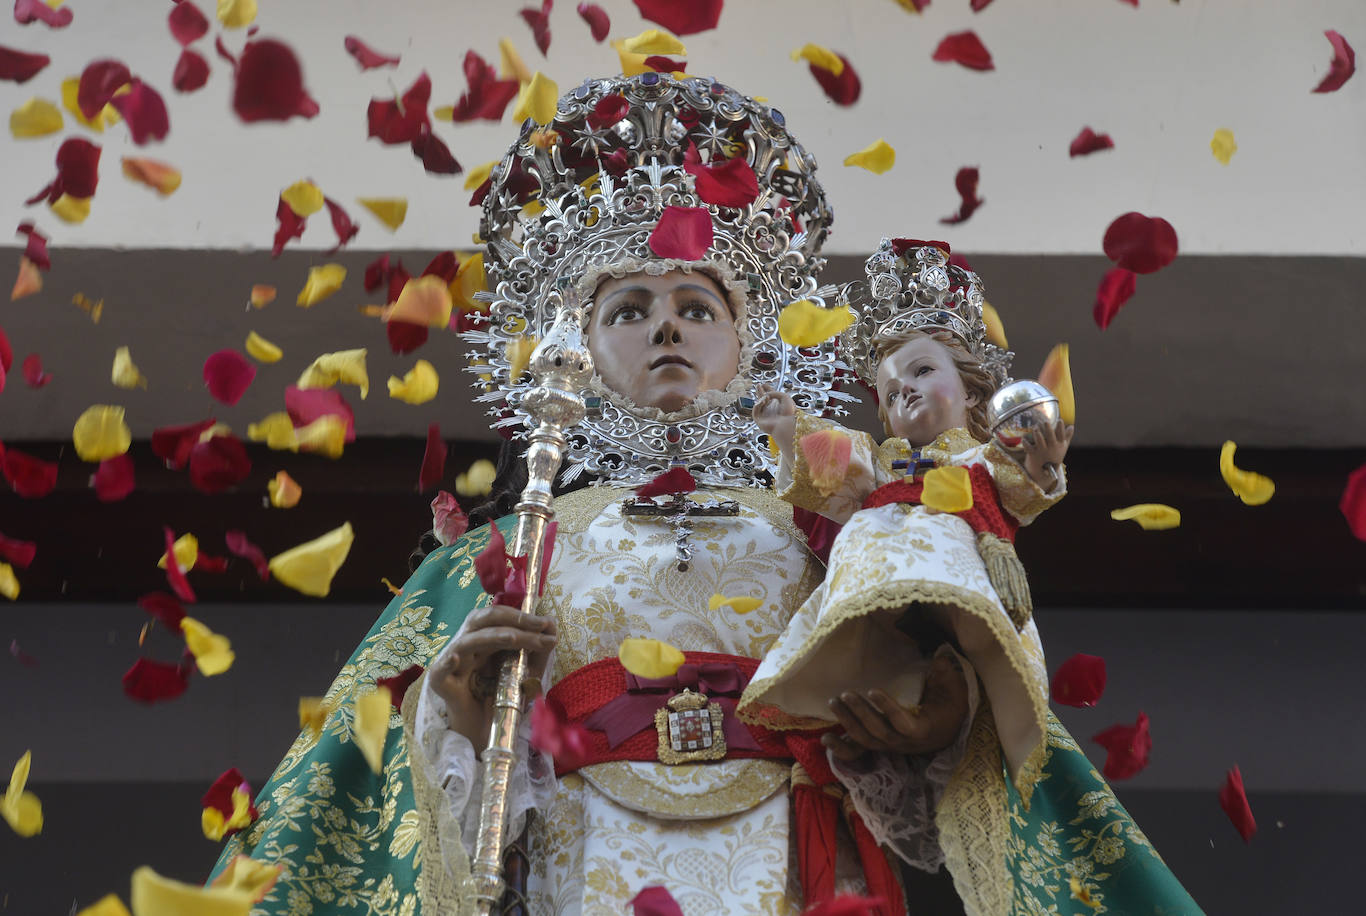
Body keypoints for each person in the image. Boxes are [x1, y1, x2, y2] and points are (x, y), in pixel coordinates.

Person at [213, 74, 955, 916]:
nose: (666, 327)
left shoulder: (826, 528)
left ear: (749, 349)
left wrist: (933, 723)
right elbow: (388, 795)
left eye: (697, 307)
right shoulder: (517, 547)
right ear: (579, 353)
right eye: (630, 309)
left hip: (795, 854)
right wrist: (454, 706)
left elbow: (939, 715)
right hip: (586, 859)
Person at [740, 239, 1202, 915]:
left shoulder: (981, 461)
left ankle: (971, 683)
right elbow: (832, 463)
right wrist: (788, 431)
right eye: (891, 388)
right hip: (878, 593)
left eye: (922, 370)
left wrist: (1042, 464)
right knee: (866, 657)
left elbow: (1024, 486)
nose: (904, 391)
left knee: (983, 657)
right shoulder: (882, 462)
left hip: (966, 581)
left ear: (974, 387)